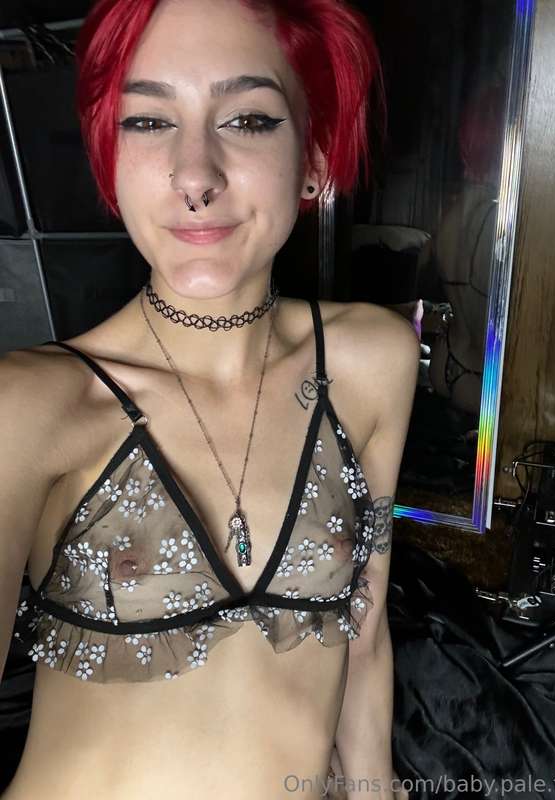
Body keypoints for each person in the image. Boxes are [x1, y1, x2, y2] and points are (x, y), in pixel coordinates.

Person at [0, 0, 419, 797]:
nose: (195, 175)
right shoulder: (31, 405)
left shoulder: (372, 363)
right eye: (149, 122)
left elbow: (363, 637)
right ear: (108, 157)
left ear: (314, 156)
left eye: (249, 120)